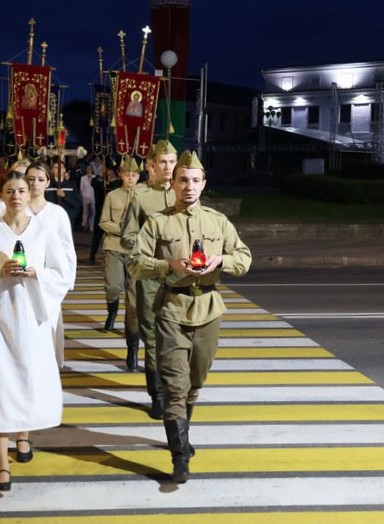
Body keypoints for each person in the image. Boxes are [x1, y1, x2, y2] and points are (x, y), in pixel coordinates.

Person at [128, 150, 252, 483]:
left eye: (195, 181)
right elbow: (135, 263)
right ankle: (179, 455)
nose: (189, 187)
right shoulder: (158, 223)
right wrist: (168, 265)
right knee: (174, 385)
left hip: (209, 309)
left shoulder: (217, 221)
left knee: (196, 381)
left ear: (203, 184)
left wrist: (220, 261)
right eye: (183, 180)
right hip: (171, 309)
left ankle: (183, 434)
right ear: (174, 184)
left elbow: (244, 258)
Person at [0, 170, 74, 491]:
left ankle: (23, 437)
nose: (16, 196)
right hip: (0, 321)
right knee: (1, 386)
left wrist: (36, 272)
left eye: (21, 190)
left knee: (28, 381)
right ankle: (1, 465)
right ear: (1, 195)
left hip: (34, 319)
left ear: (30, 194)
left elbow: (62, 273)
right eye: (9, 190)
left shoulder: (43, 231)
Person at [0, 160, 77, 366]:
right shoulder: (11, 209)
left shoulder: (56, 214)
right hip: (14, 282)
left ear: (48, 182)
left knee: (45, 329)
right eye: (30, 179)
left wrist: (63, 281)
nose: (35, 184)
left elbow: (67, 251)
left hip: (45, 282)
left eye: (40, 179)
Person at [120, 139, 178, 419]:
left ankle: (175, 388)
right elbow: (128, 235)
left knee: (178, 336)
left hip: (180, 277)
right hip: (151, 276)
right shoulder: (140, 197)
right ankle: (156, 394)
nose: (167, 167)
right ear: (151, 165)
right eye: (162, 162)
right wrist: (147, 246)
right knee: (153, 337)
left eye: (171, 161)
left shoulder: (186, 193)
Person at [99, 156, 141, 369]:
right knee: (114, 286)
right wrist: (122, 230)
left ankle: (132, 348)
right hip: (115, 246)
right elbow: (103, 222)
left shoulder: (144, 196)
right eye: (127, 174)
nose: (130, 178)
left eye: (134, 175)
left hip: (136, 251)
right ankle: (112, 310)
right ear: (121, 175)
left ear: (138, 176)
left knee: (134, 301)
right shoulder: (112, 196)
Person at [47, 158, 82, 229]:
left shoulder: (71, 185)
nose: (59, 170)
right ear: (52, 170)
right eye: (56, 168)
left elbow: (77, 203)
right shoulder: (47, 185)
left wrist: (65, 196)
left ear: (64, 170)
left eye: (61, 167)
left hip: (67, 219)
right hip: (50, 220)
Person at [79, 164, 96, 232]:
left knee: (93, 212)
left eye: (90, 169)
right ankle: (84, 224)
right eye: (87, 169)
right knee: (85, 211)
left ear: (92, 170)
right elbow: (81, 188)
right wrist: (82, 196)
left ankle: (91, 226)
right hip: (85, 196)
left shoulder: (95, 177)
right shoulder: (83, 178)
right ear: (86, 170)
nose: (89, 170)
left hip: (93, 197)